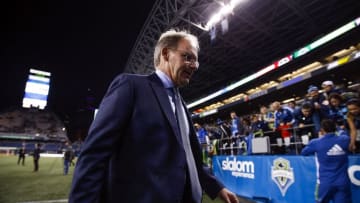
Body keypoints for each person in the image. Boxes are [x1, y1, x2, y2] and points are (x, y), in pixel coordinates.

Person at [69, 29, 238, 203]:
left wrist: (217, 186)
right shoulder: (130, 86)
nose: (194, 65)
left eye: (196, 61)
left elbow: (191, 157)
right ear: (166, 53)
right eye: (188, 57)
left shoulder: (182, 105)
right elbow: (94, 153)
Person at [301, 119, 351, 203]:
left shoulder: (316, 142)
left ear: (322, 130)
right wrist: (338, 128)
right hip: (343, 182)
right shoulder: (344, 139)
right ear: (335, 128)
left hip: (325, 182)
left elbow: (304, 152)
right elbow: (343, 132)